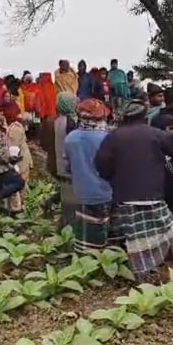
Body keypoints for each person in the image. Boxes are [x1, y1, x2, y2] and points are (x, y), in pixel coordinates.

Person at [95, 100, 173, 281]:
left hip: (126, 197)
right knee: (169, 231)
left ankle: (142, 277)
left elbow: (101, 163)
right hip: (153, 195)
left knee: (135, 240)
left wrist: (114, 179)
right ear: (144, 117)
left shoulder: (114, 137)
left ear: (125, 117)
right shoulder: (156, 135)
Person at [65, 99, 113, 253]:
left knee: (84, 231)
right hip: (105, 191)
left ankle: (84, 260)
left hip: (80, 192)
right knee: (102, 231)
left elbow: (69, 166)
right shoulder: (107, 138)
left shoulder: (71, 138)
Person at [51, 92, 78, 227]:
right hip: (68, 165)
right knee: (71, 201)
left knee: (65, 197)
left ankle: (64, 224)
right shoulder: (70, 122)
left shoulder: (58, 120)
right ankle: (68, 226)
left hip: (60, 163)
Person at [6, 99, 33, 212]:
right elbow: (13, 149)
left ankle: (21, 206)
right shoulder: (16, 129)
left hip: (23, 162)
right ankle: (18, 208)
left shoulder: (18, 128)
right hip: (20, 164)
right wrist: (15, 166)